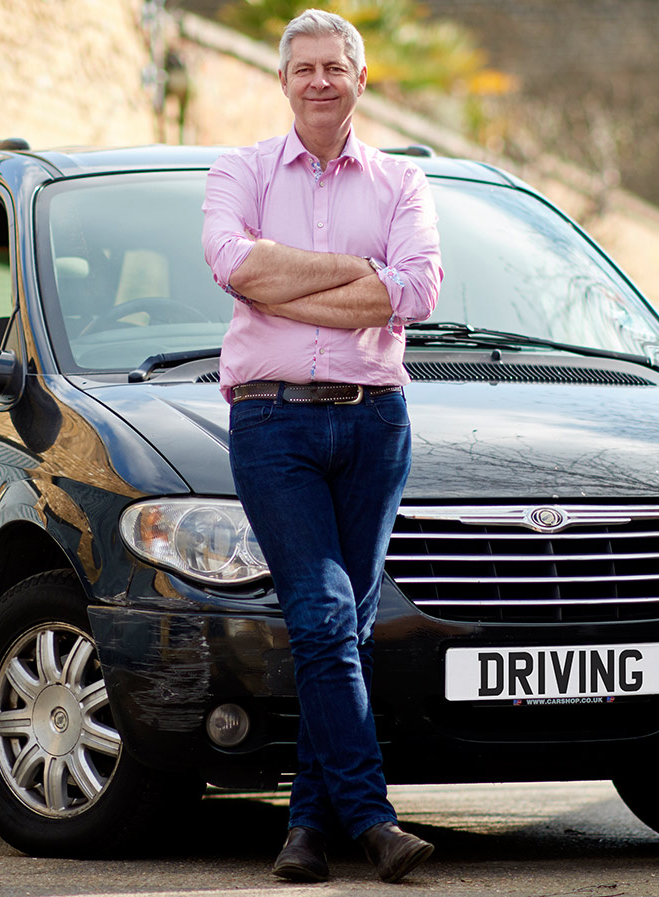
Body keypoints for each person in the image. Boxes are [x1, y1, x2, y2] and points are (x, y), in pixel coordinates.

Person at [200, 8, 443, 885]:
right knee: (325, 614)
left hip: (376, 424)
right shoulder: (241, 169)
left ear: (360, 79)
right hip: (272, 423)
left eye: (334, 67)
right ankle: (375, 821)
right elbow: (233, 263)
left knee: (343, 629)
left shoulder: (401, 184)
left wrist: (285, 281)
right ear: (282, 81)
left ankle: (306, 830)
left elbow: (414, 289)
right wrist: (356, 279)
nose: (318, 81)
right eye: (302, 68)